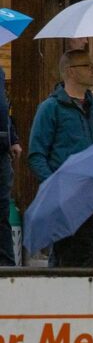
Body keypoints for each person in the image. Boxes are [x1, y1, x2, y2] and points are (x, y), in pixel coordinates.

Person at [28, 50, 93, 183]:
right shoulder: (51, 108)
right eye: (87, 66)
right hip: (66, 187)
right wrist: (54, 185)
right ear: (71, 71)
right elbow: (36, 155)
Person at [0, 61, 19, 266]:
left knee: (3, 209)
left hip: (2, 147)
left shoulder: (0, 72)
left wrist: (12, 138)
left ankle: (7, 267)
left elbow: (3, 108)